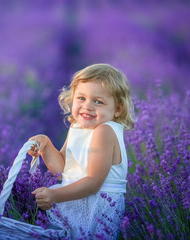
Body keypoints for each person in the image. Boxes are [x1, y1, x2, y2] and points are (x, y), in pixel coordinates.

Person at [28, 63, 135, 239]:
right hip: (74, 198)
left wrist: (54, 195)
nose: (88, 106)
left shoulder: (104, 131)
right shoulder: (76, 126)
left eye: (98, 101)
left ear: (118, 109)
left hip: (96, 207)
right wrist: (46, 146)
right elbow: (63, 169)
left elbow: (93, 182)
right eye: (81, 98)